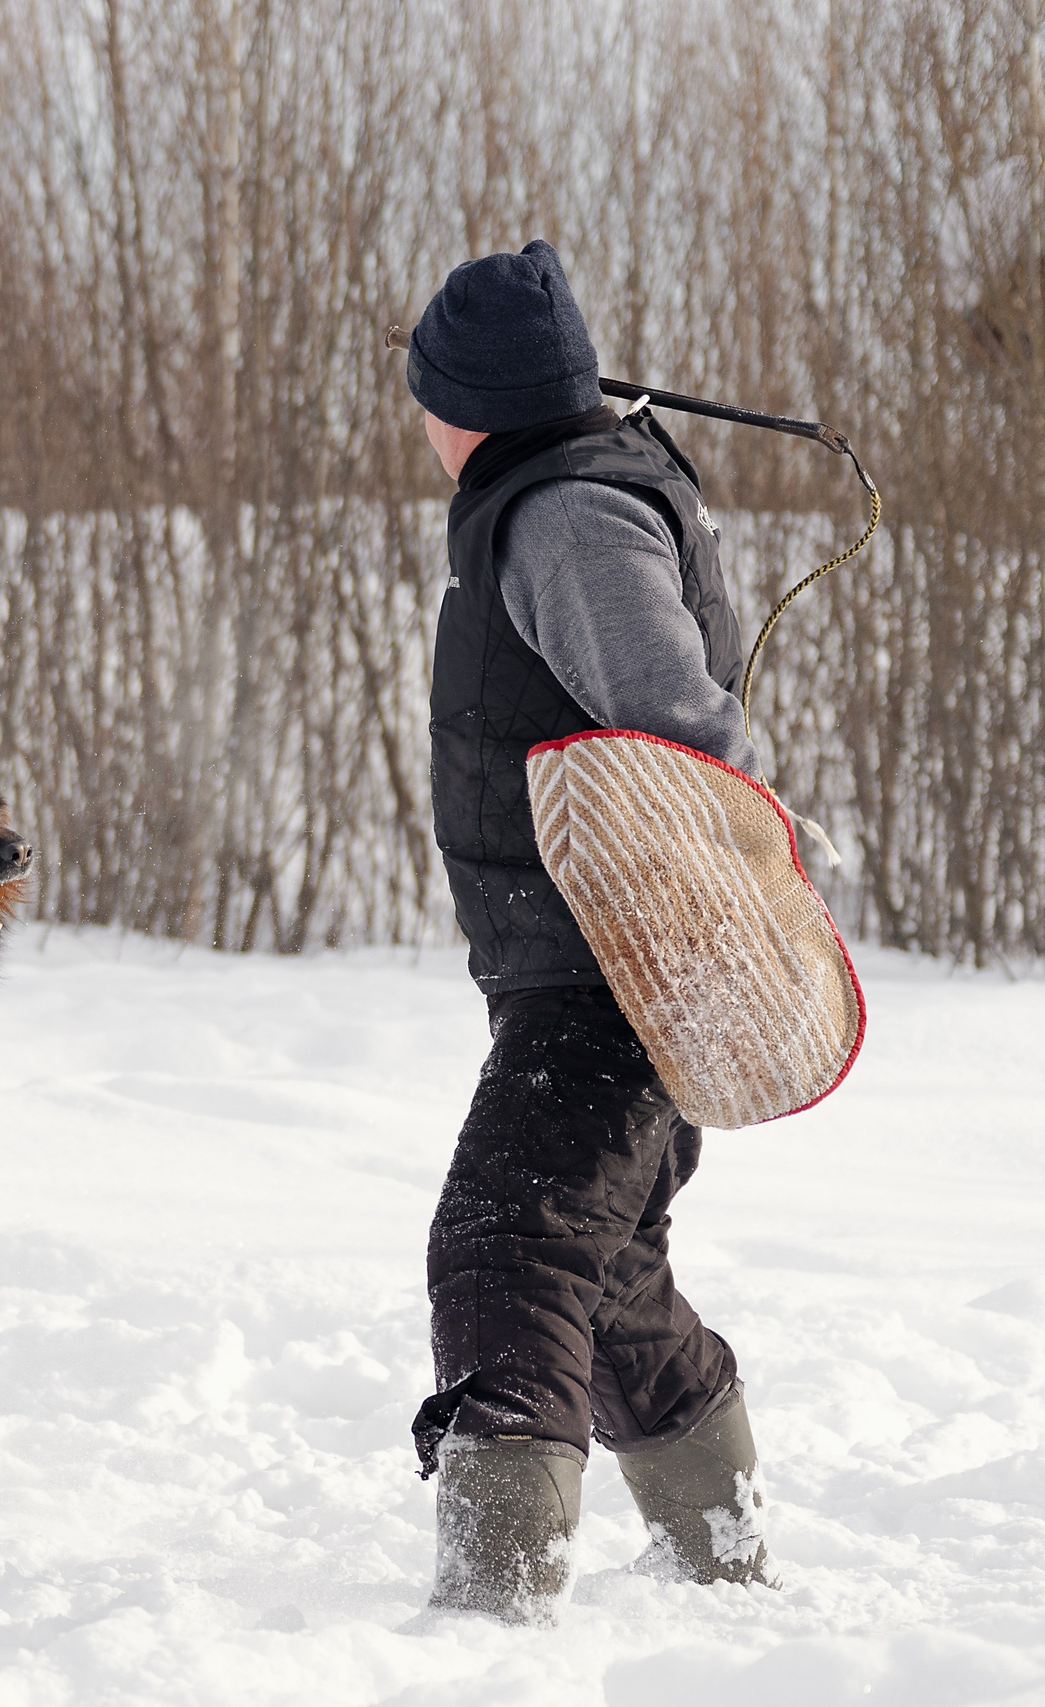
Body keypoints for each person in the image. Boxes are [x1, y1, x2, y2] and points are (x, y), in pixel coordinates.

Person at [402, 243, 775, 1618]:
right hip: (590, 971)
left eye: (428, 397)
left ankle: (493, 1617)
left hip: (616, 975)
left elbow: (676, 720)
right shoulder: (553, 498)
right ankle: (723, 1563)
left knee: (505, 1247)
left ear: (473, 403)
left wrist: (748, 876)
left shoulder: (567, 514)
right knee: (607, 1279)